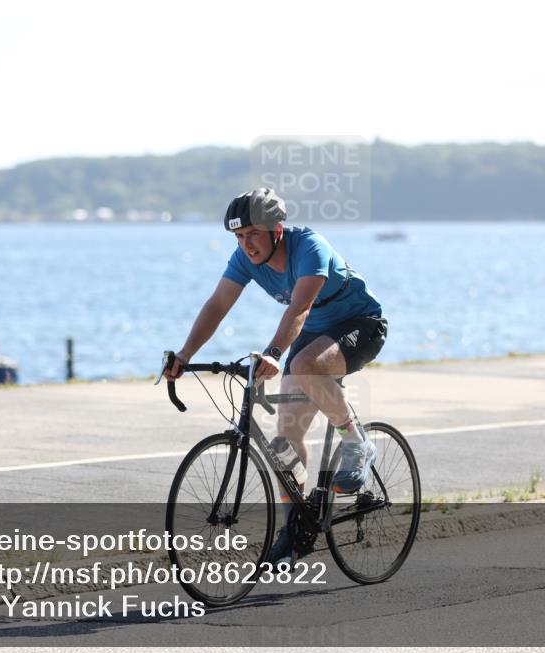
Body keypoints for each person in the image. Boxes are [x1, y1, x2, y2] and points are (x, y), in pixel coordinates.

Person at [166, 188, 388, 565]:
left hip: (360, 326)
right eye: (239, 237)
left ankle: (357, 442)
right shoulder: (245, 260)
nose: (246, 244)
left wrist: (273, 353)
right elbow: (218, 304)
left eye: (252, 233)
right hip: (311, 339)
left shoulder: (309, 248)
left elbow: (300, 308)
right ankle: (296, 529)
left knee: (304, 365)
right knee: (286, 439)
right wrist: (186, 355)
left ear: (276, 229)